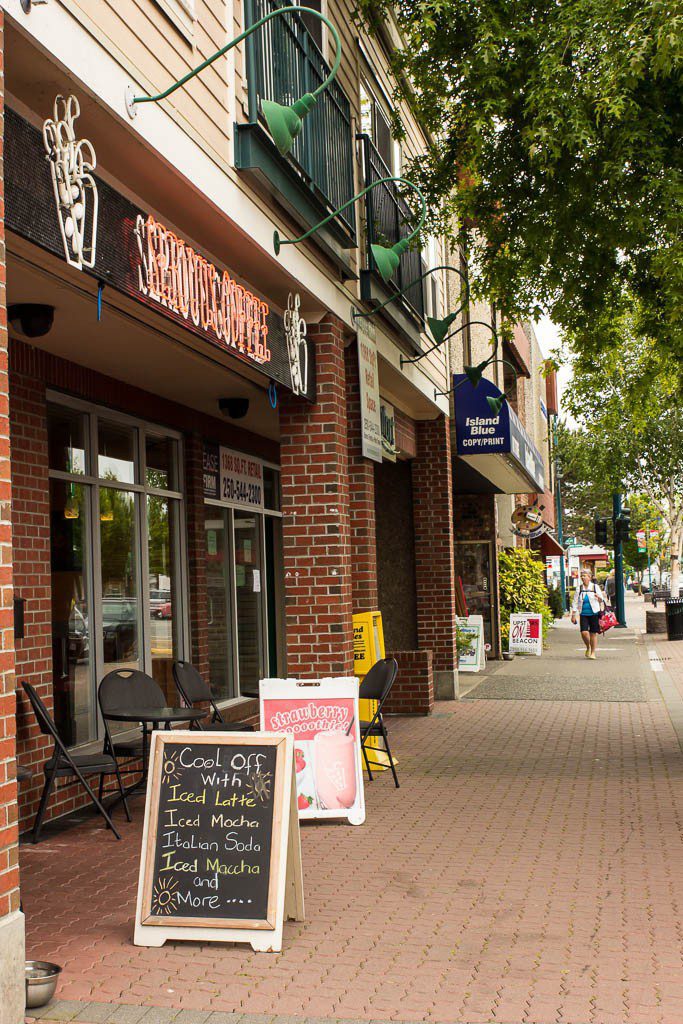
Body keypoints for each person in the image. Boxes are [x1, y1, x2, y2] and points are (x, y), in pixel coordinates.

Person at [571, 569, 606, 659]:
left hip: (594, 613)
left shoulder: (595, 587)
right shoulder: (580, 588)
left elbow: (602, 600)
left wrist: (598, 597)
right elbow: (575, 601)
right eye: (582, 576)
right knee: (584, 632)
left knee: (593, 633)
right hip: (583, 613)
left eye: (585, 575)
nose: (583, 577)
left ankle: (593, 652)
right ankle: (588, 647)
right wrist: (573, 615)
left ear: (589, 577)